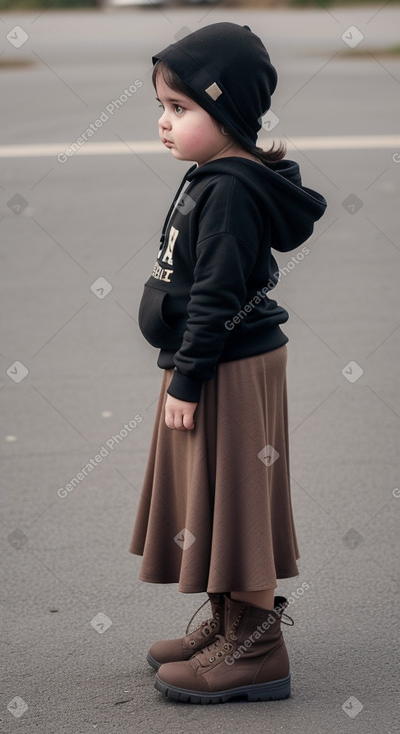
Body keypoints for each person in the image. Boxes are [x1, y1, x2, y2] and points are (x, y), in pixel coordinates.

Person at [129, 22, 327, 704]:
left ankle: (255, 648)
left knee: (238, 498)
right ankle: (226, 624)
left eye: (180, 108)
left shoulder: (233, 190)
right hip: (215, 361)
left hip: (228, 367)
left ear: (229, 113)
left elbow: (215, 296)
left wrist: (187, 377)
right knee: (211, 496)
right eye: (161, 106)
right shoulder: (212, 176)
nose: (163, 122)